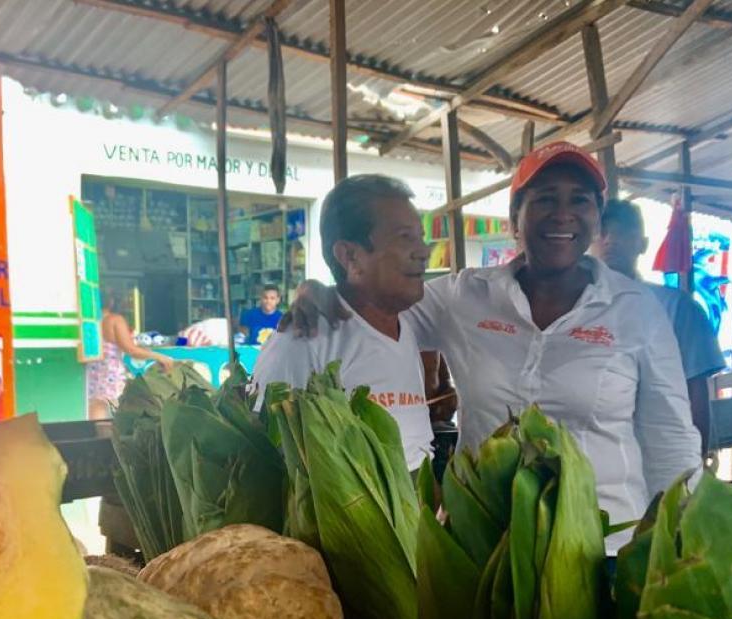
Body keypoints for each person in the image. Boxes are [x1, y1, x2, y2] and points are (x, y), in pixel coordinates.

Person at [288, 144, 701, 553]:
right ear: (514, 219)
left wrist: (677, 537)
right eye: (544, 200)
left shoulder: (637, 310)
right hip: (482, 544)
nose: (563, 213)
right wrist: (324, 290)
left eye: (580, 200)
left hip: (604, 545)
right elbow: (378, 308)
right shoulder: (465, 296)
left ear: (596, 217)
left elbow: (669, 436)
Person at [253, 174, 434, 470]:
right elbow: (262, 454)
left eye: (421, 236)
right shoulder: (304, 339)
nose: (424, 251)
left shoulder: (407, 321)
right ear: (350, 255)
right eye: (405, 237)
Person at [592, 199, 726, 452]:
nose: (610, 240)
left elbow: (695, 391)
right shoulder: (576, 309)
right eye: (603, 233)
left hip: (657, 454)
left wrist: (695, 466)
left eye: (622, 232)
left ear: (642, 245)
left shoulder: (676, 308)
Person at [86, 289, 175, 420]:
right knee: (120, 412)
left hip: (92, 372)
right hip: (110, 373)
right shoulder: (115, 320)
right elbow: (131, 350)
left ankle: (99, 438)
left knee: (97, 411)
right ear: (110, 302)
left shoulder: (89, 322)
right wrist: (159, 357)